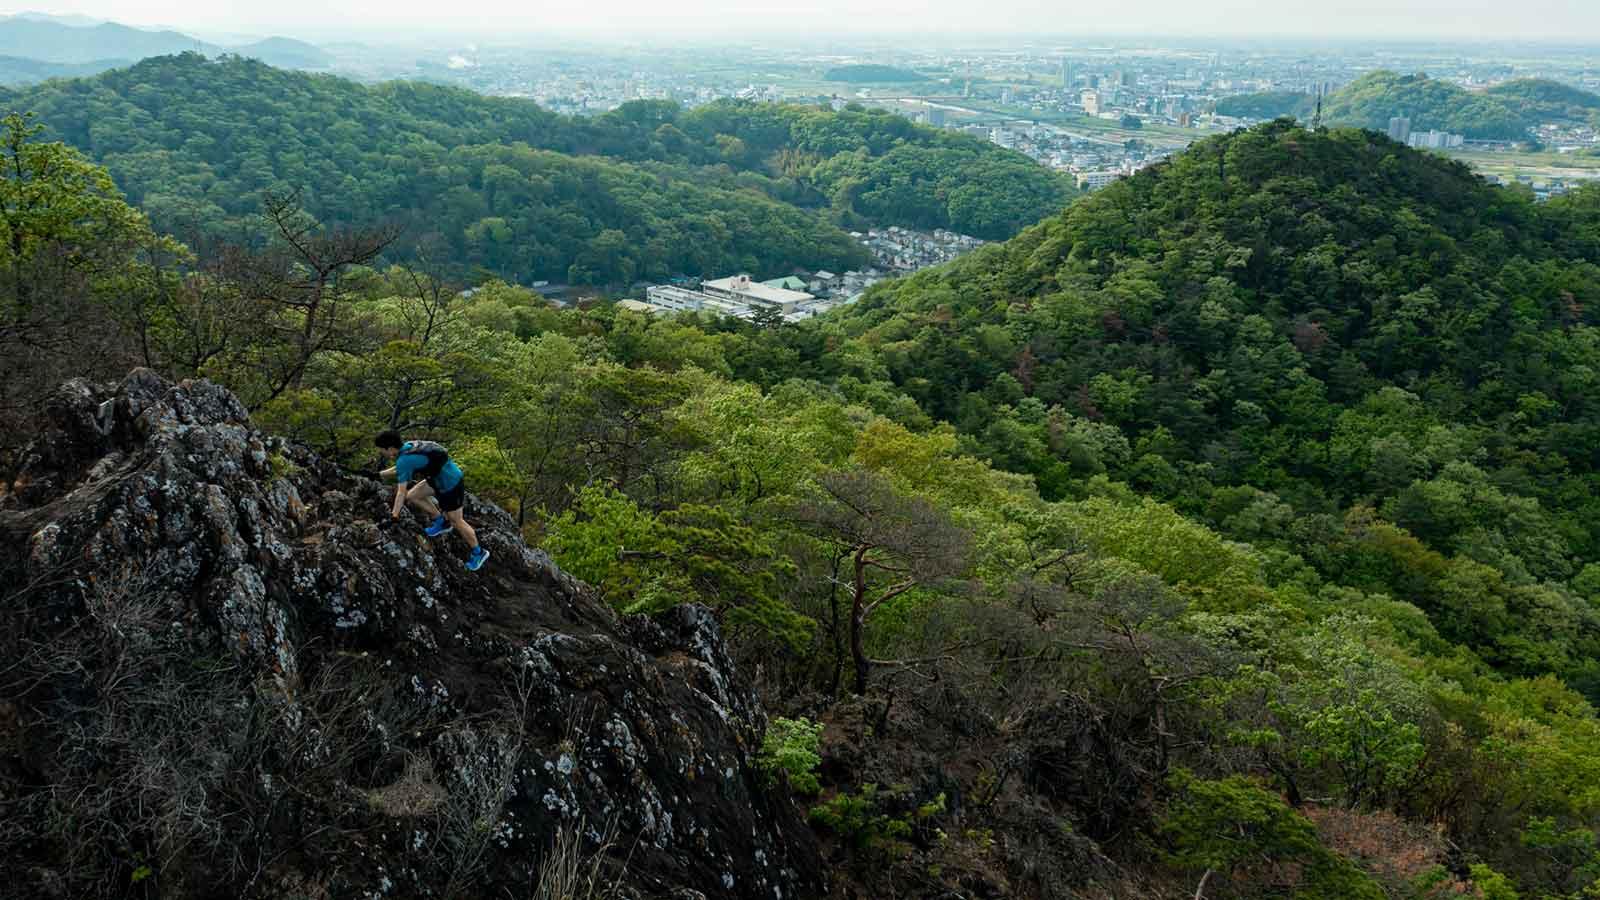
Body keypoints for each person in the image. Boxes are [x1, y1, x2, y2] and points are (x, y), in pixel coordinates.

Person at [374, 430, 489, 572]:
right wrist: (379, 475)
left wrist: (394, 516)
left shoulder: (404, 460)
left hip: (450, 484)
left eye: (381, 450)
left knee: (457, 520)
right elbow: (401, 467)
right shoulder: (409, 446)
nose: (381, 453)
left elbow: (401, 492)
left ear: (390, 448)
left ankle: (479, 552)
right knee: (413, 496)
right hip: (437, 479)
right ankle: (441, 521)